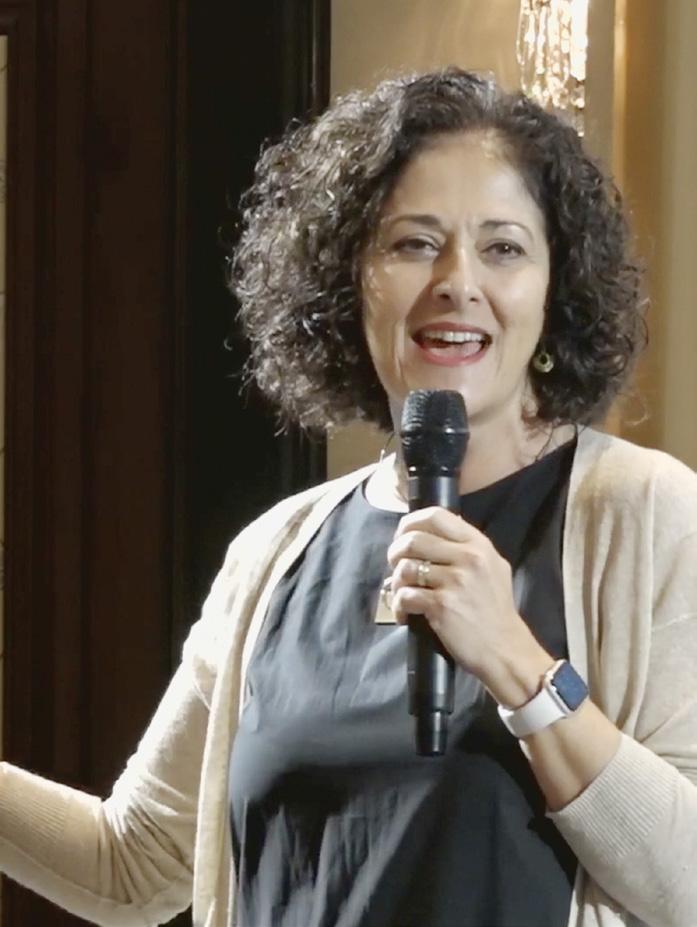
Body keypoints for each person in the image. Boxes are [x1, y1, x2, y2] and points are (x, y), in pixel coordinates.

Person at [0, 67, 695, 927]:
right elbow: (134, 863)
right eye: (413, 243)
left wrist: (517, 664)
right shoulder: (273, 551)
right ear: (345, 281)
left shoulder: (644, 516)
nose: (457, 280)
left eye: (503, 248)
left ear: (555, 291)